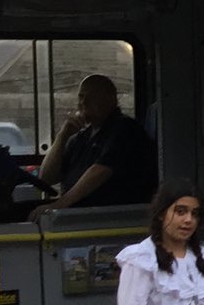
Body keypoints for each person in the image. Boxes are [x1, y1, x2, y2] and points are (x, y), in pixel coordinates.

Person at [34, 73, 157, 213]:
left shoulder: (125, 130)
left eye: (91, 97)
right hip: (75, 213)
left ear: (111, 99)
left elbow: (100, 171)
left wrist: (58, 205)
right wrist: (62, 137)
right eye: (81, 97)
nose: (83, 103)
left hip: (108, 214)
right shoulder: (80, 138)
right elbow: (46, 178)